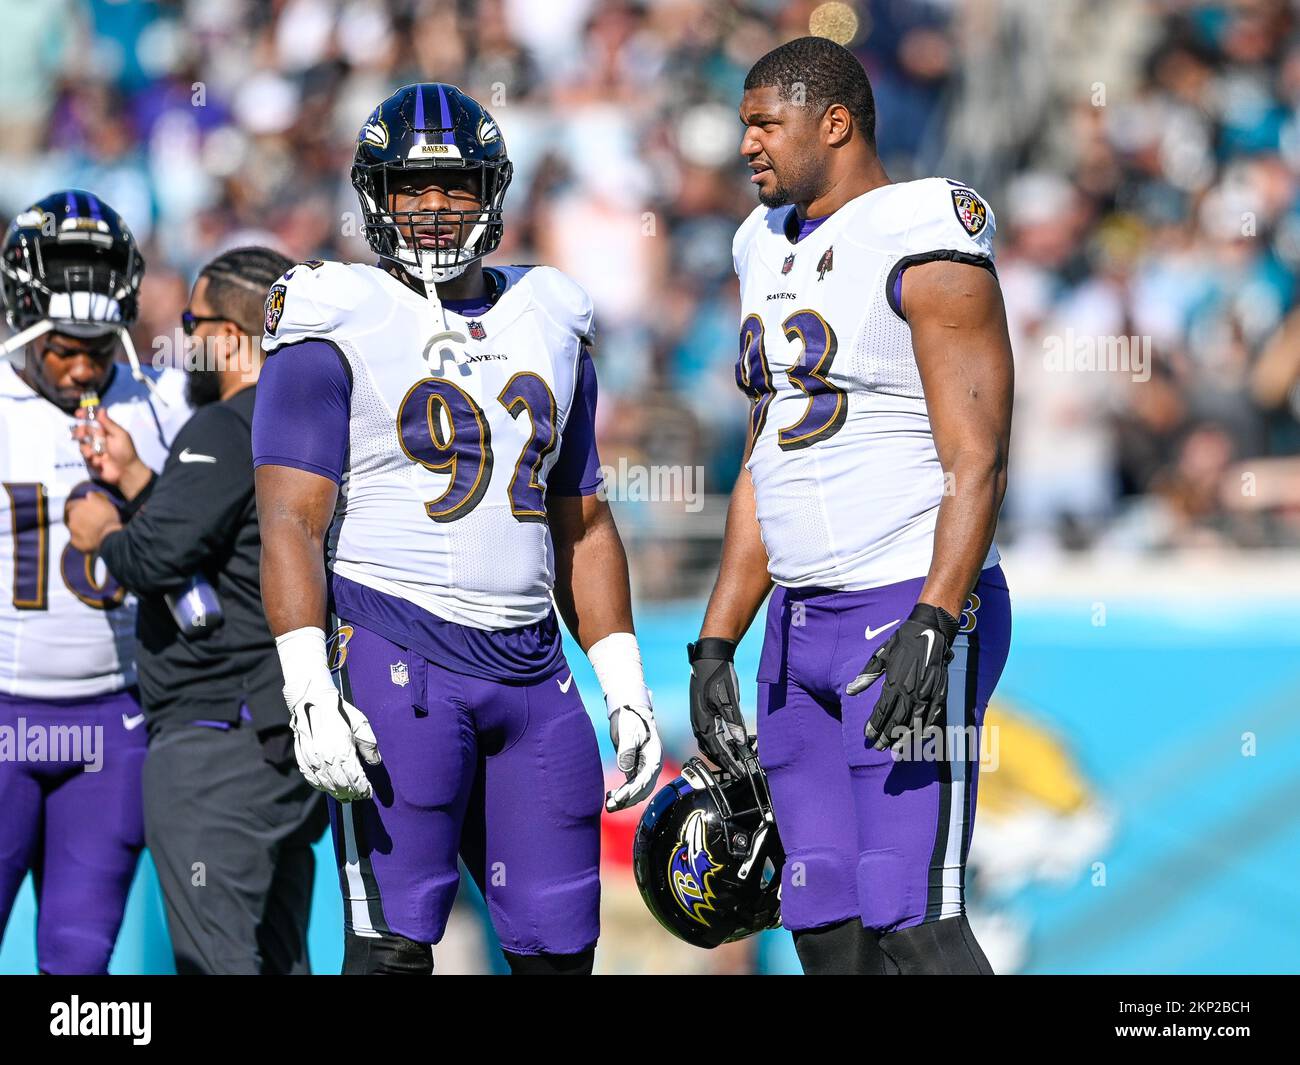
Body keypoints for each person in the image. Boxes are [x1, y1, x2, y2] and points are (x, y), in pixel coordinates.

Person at [252, 83, 663, 976]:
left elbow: (583, 520)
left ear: (494, 192)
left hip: (533, 674)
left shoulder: (550, 313)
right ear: (376, 196)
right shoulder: (334, 309)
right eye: (410, 188)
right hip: (399, 656)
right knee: (396, 952)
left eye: (456, 187)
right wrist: (305, 683)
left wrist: (625, 683)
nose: (434, 208)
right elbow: (289, 518)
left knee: (560, 953)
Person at [689, 37, 1015, 976]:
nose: (745, 142)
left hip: (903, 602)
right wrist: (717, 640)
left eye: (765, 122)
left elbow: (977, 456)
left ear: (834, 123)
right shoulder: (758, 242)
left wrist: (936, 617)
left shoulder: (925, 224)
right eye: (743, 121)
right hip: (797, 625)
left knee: (913, 915)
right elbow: (769, 455)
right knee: (823, 922)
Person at [65, 246, 327, 975]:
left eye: (194, 322)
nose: (186, 342)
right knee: (278, 960)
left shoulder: (222, 425)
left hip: (218, 736)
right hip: (284, 736)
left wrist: (103, 531)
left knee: (214, 960)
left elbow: (153, 559)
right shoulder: (308, 427)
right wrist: (143, 477)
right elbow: (232, 542)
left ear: (234, 337)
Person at [0, 190, 189, 973]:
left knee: (78, 962)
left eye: (97, 346)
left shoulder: (162, 403)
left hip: (113, 720)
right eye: (62, 346)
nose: (82, 364)